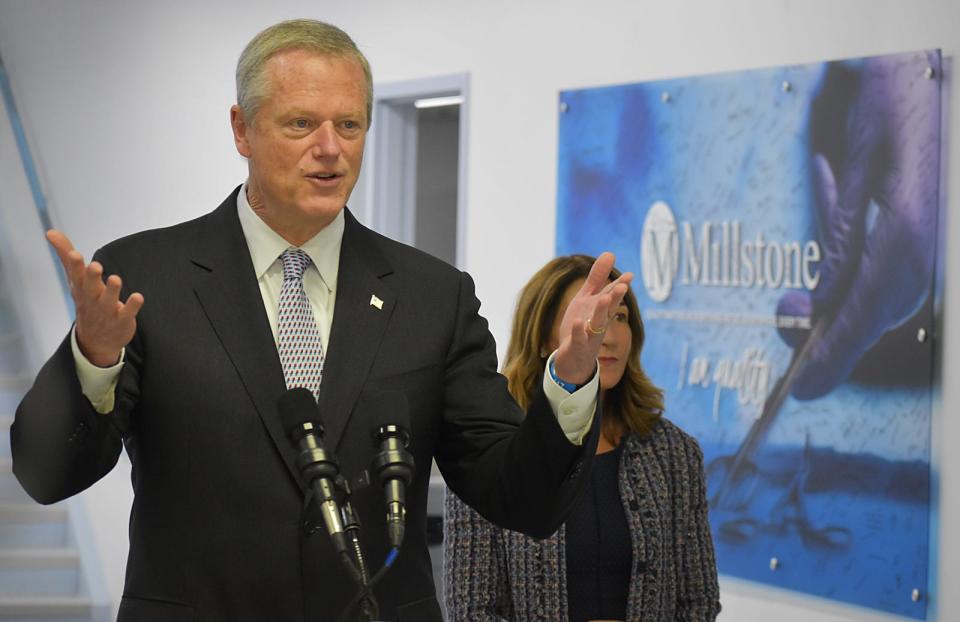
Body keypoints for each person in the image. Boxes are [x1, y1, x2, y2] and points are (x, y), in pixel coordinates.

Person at [10, 20, 630, 622]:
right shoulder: (145, 276)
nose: (330, 148)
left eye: (350, 124)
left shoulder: (432, 295)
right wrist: (93, 358)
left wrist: (570, 380)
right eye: (301, 123)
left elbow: (520, 496)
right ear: (242, 129)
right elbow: (46, 475)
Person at [444, 254, 721, 621]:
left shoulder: (675, 453)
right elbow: (472, 609)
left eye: (618, 317)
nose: (604, 335)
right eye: (588, 317)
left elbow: (698, 600)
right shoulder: (490, 449)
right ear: (543, 339)